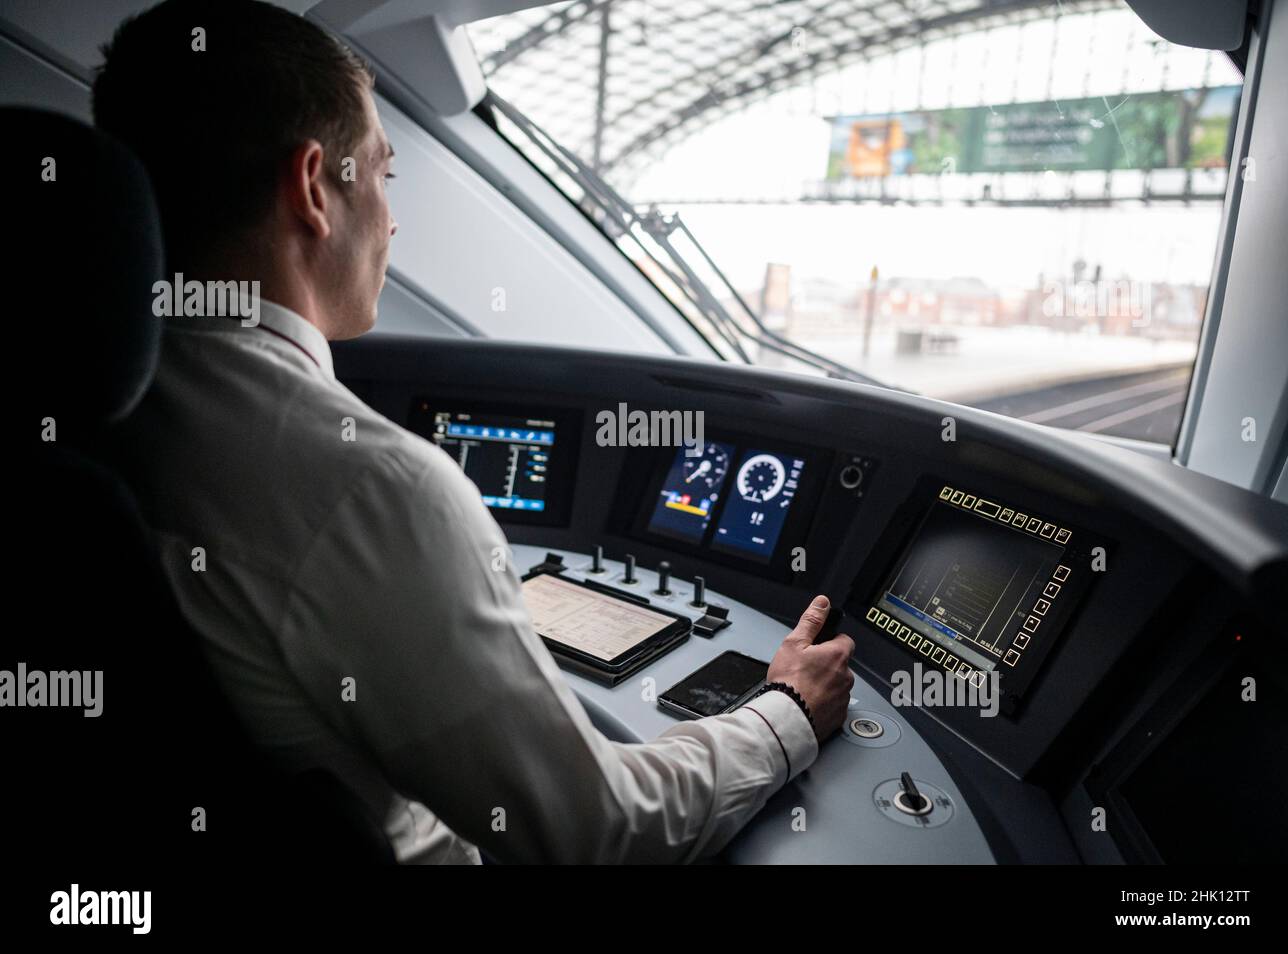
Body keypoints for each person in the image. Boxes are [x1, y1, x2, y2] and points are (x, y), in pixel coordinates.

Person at [96, 0, 854, 863]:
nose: (391, 218)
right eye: (382, 175)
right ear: (313, 189)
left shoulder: (96, 407)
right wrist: (786, 712)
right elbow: (604, 831)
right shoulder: (372, 489)